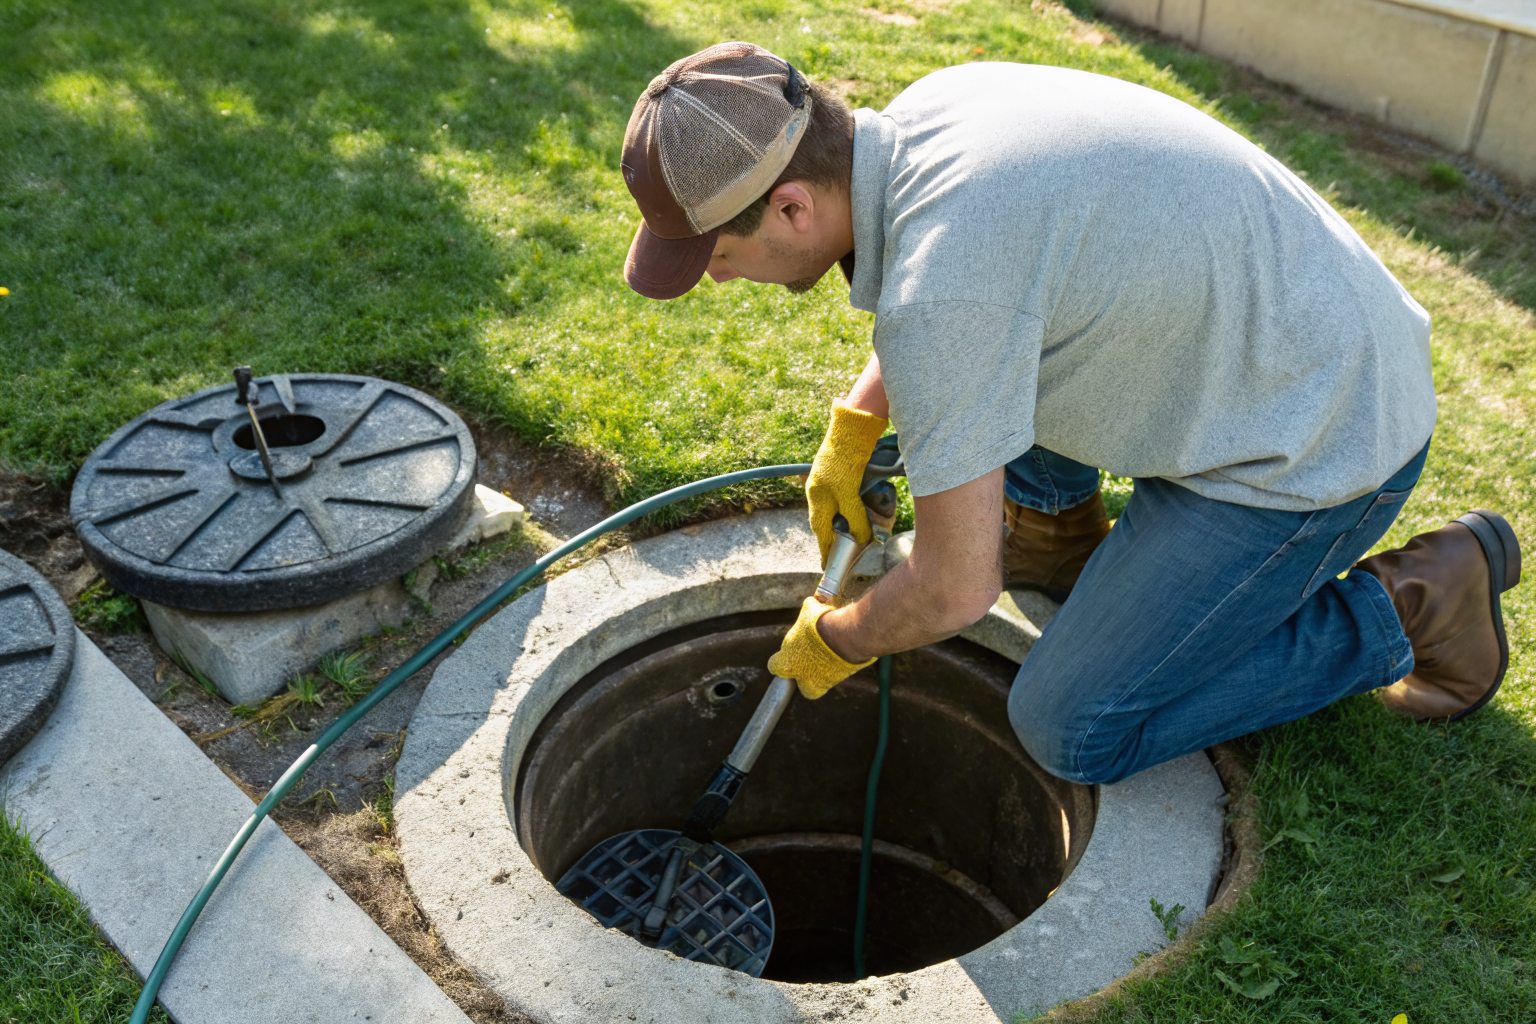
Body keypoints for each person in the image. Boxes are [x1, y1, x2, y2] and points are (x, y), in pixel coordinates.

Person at [616, 42, 1521, 784]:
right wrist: (856, 424)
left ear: (791, 203)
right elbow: (964, 287)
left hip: (1312, 444)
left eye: (720, 255)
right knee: (984, 354)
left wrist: (838, 638)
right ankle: (1052, 533)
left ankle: (1411, 607)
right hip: (1295, 338)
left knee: (1070, 728)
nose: (718, 278)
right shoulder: (937, 109)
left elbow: (952, 589)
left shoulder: (944, 299)